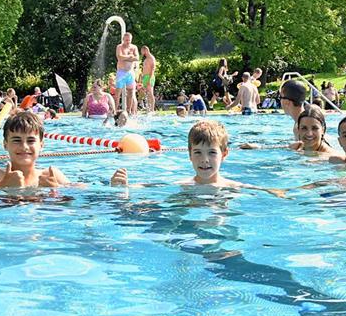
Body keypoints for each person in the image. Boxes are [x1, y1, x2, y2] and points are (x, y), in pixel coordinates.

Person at [111, 120, 284, 196]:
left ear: (224, 154)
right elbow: (152, 186)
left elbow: (260, 189)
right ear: (190, 156)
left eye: (212, 152)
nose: (205, 159)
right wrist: (124, 187)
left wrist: (277, 192)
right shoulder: (185, 187)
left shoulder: (232, 187)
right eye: (198, 153)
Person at [0, 111, 69, 189]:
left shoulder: (51, 175)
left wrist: (56, 188)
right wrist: (3, 185)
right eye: (17, 140)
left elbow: (79, 193)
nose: (24, 146)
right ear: (5, 145)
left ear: (41, 145)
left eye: (31, 140)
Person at [114, 32, 139, 115]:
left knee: (131, 92)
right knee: (118, 92)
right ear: (123, 40)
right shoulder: (119, 47)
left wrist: (127, 58)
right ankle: (115, 111)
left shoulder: (134, 47)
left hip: (130, 72)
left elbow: (137, 58)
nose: (128, 42)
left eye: (129, 40)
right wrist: (130, 57)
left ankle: (129, 111)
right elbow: (119, 57)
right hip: (121, 72)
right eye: (126, 40)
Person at [140, 45, 156, 113]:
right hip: (145, 77)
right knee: (146, 93)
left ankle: (152, 109)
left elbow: (152, 69)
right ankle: (148, 108)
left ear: (145, 50)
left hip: (149, 77)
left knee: (150, 93)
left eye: (142, 51)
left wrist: (149, 79)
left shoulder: (151, 58)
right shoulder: (146, 59)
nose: (141, 53)